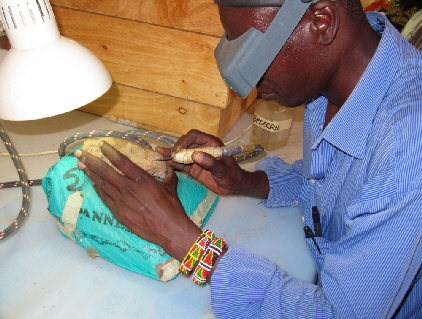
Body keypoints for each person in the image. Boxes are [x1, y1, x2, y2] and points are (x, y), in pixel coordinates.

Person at [74, 0, 422, 317]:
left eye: (255, 54)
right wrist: (245, 182)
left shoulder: (407, 150)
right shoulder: (341, 82)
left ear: (322, 21)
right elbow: (340, 185)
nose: (253, 85)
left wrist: (184, 241)